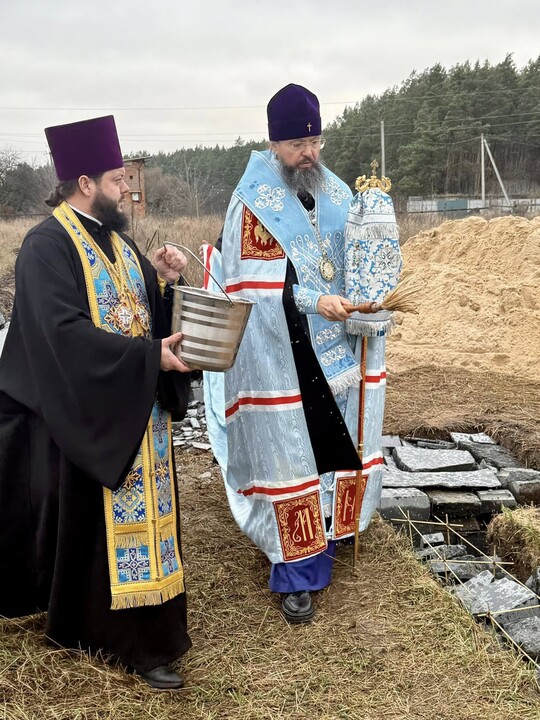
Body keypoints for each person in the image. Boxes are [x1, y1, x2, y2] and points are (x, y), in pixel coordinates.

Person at [0, 116, 192, 689]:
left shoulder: (119, 241)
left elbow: (138, 312)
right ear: (84, 182)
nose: (127, 188)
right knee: (97, 531)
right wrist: (146, 360)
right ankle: (118, 637)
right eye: (117, 179)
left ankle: (155, 626)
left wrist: (161, 282)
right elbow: (61, 337)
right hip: (87, 416)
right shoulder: (46, 246)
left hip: (136, 407)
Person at [202, 84, 384, 624]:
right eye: (297, 144)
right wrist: (312, 300)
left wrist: (372, 293)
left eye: (315, 142)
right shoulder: (253, 203)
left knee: (333, 447)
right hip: (282, 351)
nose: (309, 153)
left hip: (338, 351)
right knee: (290, 458)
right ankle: (296, 570)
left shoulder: (338, 194)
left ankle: (331, 532)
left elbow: (362, 263)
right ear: (274, 143)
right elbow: (250, 289)